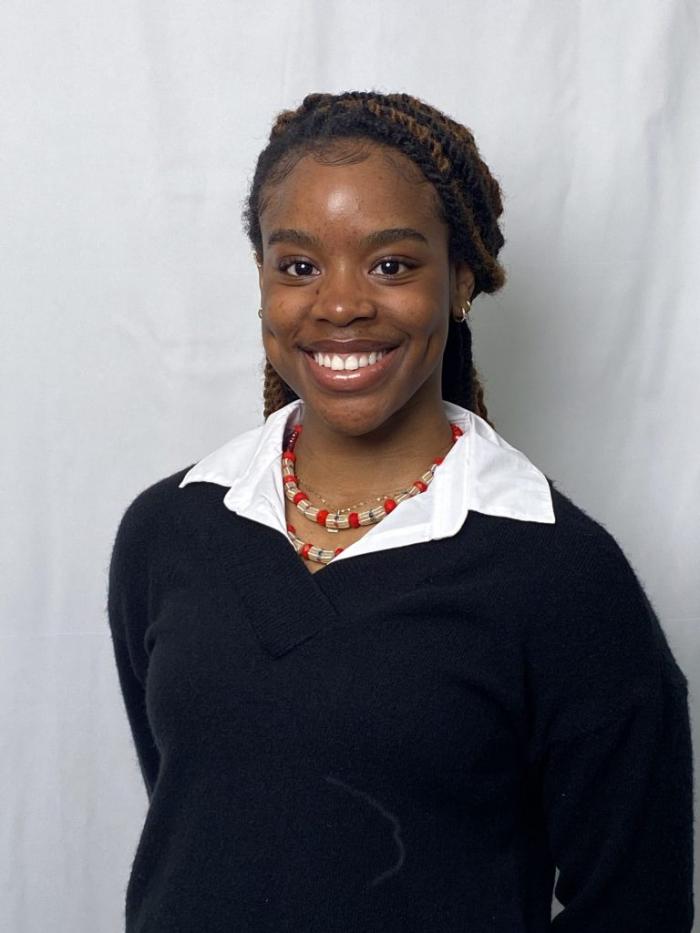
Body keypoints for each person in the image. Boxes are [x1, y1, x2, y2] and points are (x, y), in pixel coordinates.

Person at [107, 91, 694, 931]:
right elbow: (200, 813)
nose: (340, 305)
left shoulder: (562, 575)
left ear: (460, 280)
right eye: (298, 265)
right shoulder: (169, 530)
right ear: (263, 281)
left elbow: (638, 904)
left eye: (391, 264)